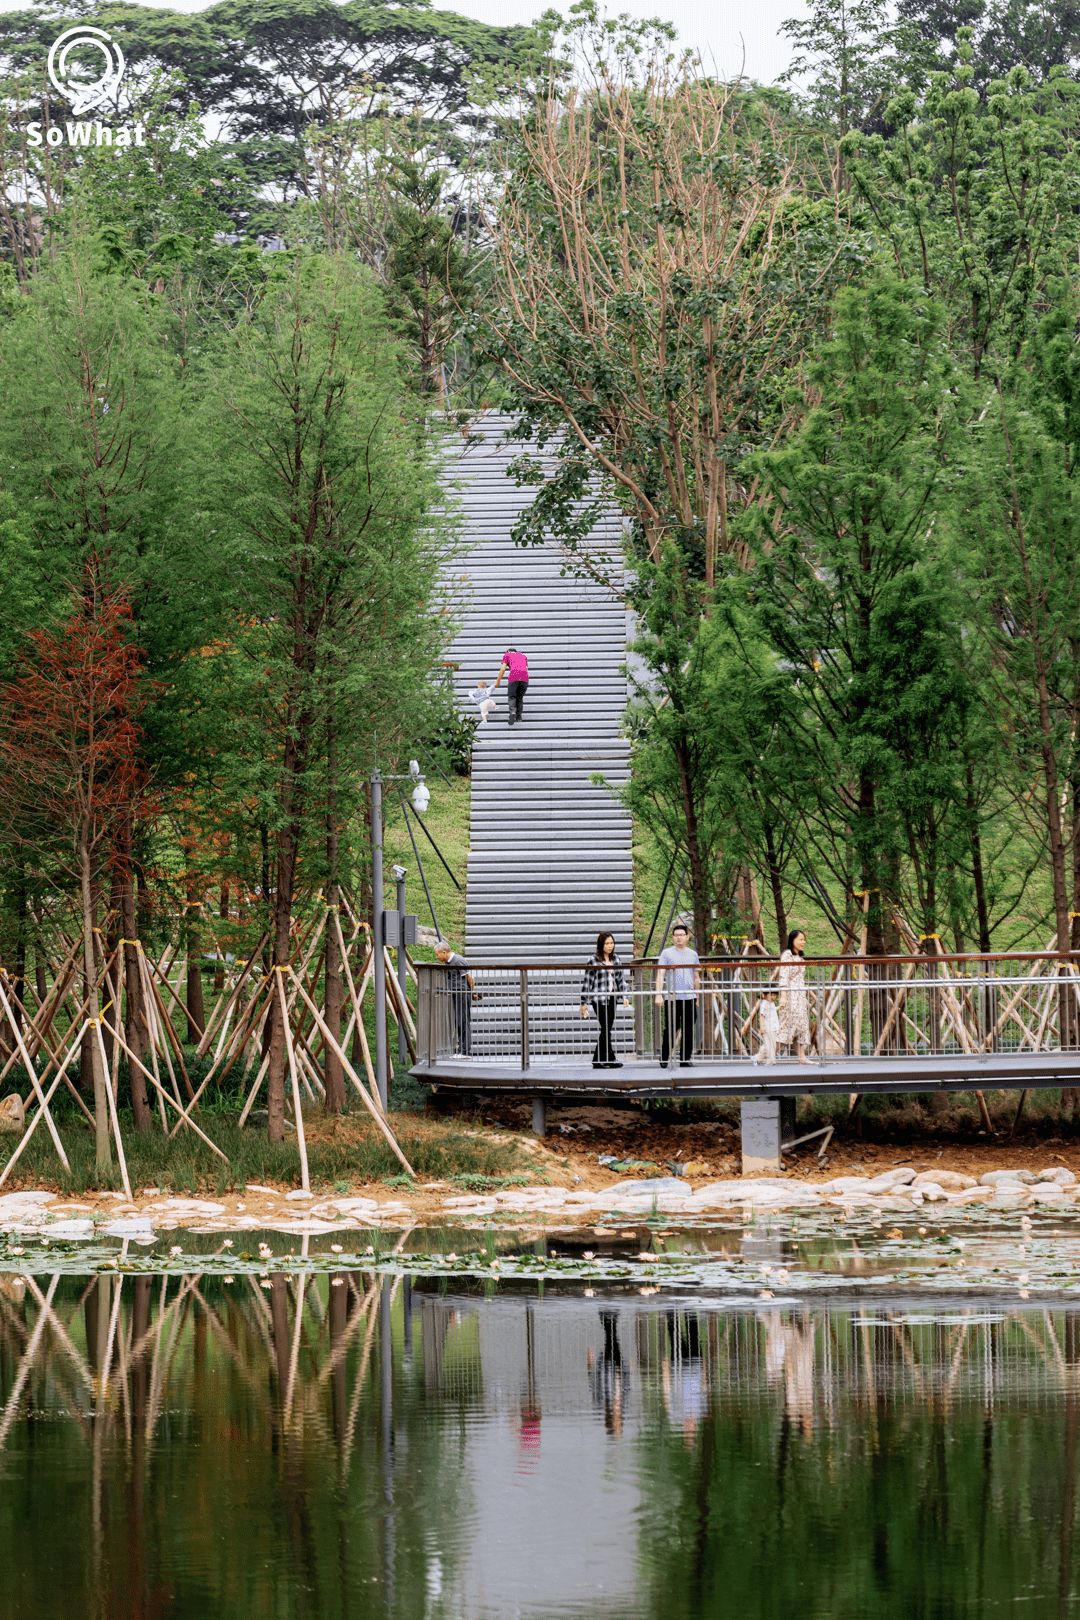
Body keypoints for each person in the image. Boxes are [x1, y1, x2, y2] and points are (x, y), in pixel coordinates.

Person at [580, 931, 632, 1069]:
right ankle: (604, 1059)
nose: (610, 946)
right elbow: (587, 982)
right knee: (606, 1027)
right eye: (607, 943)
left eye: (612, 943)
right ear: (601, 945)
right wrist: (583, 1003)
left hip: (612, 998)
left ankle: (604, 1059)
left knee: (606, 1028)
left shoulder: (616, 960)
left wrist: (625, 996)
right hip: (598, 999)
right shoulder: (593, 960)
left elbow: (620, 981)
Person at [654, 921, 700, 1068]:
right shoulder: (667, 953)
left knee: (688, 1028)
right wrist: (658, 994)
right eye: (676, 935)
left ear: (687, 937)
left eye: (682, 935)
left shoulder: (693, 954)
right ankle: (664, 1056)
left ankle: (685, 1059)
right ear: (672, 937)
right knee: (671, 1027)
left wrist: (697, 996)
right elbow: (660, 974)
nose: (679, 937)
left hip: (689, 997)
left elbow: (696, 977)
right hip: (672, 997)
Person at [777, 928, 813, 1065]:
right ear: (792, 940)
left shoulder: (799, 958)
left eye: (804, 939)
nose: (803, 942)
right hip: (791, 996)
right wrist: (784, 996)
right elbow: (784, 976)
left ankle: (802, 1057)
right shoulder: (787, 955)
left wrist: (804, 999)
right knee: (788, 1026)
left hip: (799, 996)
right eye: (800, 939)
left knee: (801, 1025)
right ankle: (765, 1054)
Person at [434, 938, 475, 1055]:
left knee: (463, 1021)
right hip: (456, 993)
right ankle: (462, 1048)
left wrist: (471, 993)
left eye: (437, 955)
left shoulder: (458, 960)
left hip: (462, 993)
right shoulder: (448, 962)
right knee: (459, 1020)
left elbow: (470, 978)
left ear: (444, 952)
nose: (437, 957)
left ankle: (465, 1050)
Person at [494, 646, 529, 726]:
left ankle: (513, 712)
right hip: (525, 679)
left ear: (508, 651)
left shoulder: (507, 654)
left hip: (514, 678)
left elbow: (503, 669)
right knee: (519, 697)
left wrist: (498, 681)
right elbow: (526, 668)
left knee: (512, 697)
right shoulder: (523, 655)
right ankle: (519, 717)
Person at [752, 989, 779, 1066]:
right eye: (771, 995)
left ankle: (757, 1058)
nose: (773, 997)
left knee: (771, 1044)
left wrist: (779, 1007)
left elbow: (772, 1010)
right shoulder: (764, 1003)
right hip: (767, 1027)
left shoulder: (771, 1003)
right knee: (769, 1044)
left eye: (775, 995)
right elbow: (762, 1016)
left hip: (773, 1027)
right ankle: (770, 1060)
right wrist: (761, 1027)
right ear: (765, 995)